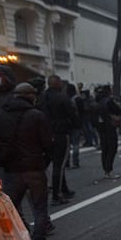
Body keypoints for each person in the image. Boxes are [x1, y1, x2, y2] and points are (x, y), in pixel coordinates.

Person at [0, 82, 58, 240]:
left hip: (12, 169)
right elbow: (48, 143)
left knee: (9, 210)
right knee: (39, 208)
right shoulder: (36, 115)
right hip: (34, 167)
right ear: (30, 96)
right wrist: (44, 161)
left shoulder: (1, 115)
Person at [41, 75, 79, 205]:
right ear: (58, 84)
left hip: (45, 133)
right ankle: (57, 195)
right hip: (60, 132)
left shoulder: (42, 97)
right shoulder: (62, 97)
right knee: (60, 164)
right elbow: (72, 114)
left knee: (54, 162)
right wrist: (74, 126)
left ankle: (64, 189)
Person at [94, 85, 121, 179]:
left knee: (105, 148)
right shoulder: (109, 101)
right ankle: (109, 169)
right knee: (112, 147)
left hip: (101, 127)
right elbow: (118, 110)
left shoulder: (97, 102)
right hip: (110, 126)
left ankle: (106, 170)